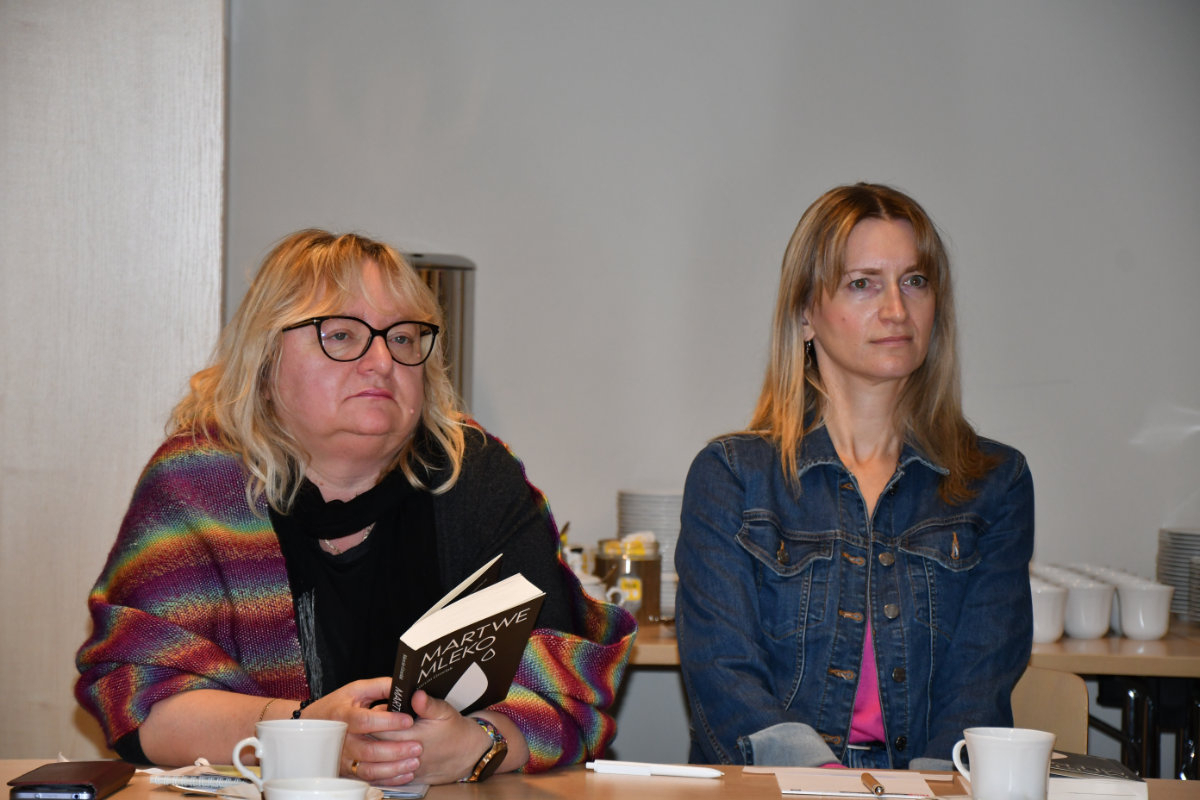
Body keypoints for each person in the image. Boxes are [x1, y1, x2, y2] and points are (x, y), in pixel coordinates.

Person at [76, 229, 636, 785]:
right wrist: (311, 733)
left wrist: (479, 744)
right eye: (342, 335)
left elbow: (570, 692)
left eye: (404, 338)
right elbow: (142, 702)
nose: (382, 361)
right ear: (264, 362)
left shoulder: (475, 475)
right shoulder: (196, 483)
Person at [675, 183, 1034, 770]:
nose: (896, 309)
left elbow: (979, 690)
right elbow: (725, 684)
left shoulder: (996, 482)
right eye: (863, 283)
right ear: (805, 314)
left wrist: (920, 791)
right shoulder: (732, 476)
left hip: (929, 789)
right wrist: (830, 786)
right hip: (775, 789)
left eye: (914, 281)